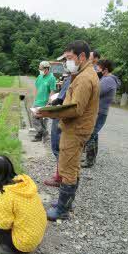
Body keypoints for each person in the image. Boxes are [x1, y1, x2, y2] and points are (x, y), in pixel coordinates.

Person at [35, 40, 100, 221]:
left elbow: (75, 108)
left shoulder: (85, 78)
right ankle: (66, 203)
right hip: (77, 128)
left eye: (70, 58)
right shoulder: (82, 73)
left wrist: (48, 112)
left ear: (81, 57)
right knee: (73, 166)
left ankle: (62, 210)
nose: (67, 62)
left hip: (75, 129)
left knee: (68, 167)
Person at [0, 155, 47, 254]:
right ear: (10, 167)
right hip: (38, 230)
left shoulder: (6, 195)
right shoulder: (24, 181)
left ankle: (11, 249)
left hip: (25, 244)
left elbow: (4, 225)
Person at [81, 59, 121, 168]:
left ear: (105, 69)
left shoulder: (108, 80)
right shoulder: (105, 78)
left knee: (90, 134)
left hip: (100, 112)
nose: (96, 69)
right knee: (94, 135)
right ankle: (91, 158)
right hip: (98, 111)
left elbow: (95, 92)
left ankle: (90, 161)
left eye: (98, 68)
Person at [45, 56, 72, 187]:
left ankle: (60, 178)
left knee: (58, 148)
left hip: (62, 116)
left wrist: (50, 108)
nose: (66, 63)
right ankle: (60, 176)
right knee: (61, 149)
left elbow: (60, 100)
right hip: (63, 115)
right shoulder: (71, 76)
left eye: (68, 59)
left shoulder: (74, 77)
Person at [31, 61, 57, 142]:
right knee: (35, 118)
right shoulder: (39, 77)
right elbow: (36, 88)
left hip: (45, 102)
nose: (40, 70)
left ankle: (40, 136)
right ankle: (44, 133)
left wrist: (49, 103)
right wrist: (34, 99)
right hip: (37, 102)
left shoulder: (51, 78)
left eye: (41, 69)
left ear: (47, 69)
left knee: (43, 120)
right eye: (40, 69)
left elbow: (52, 92)